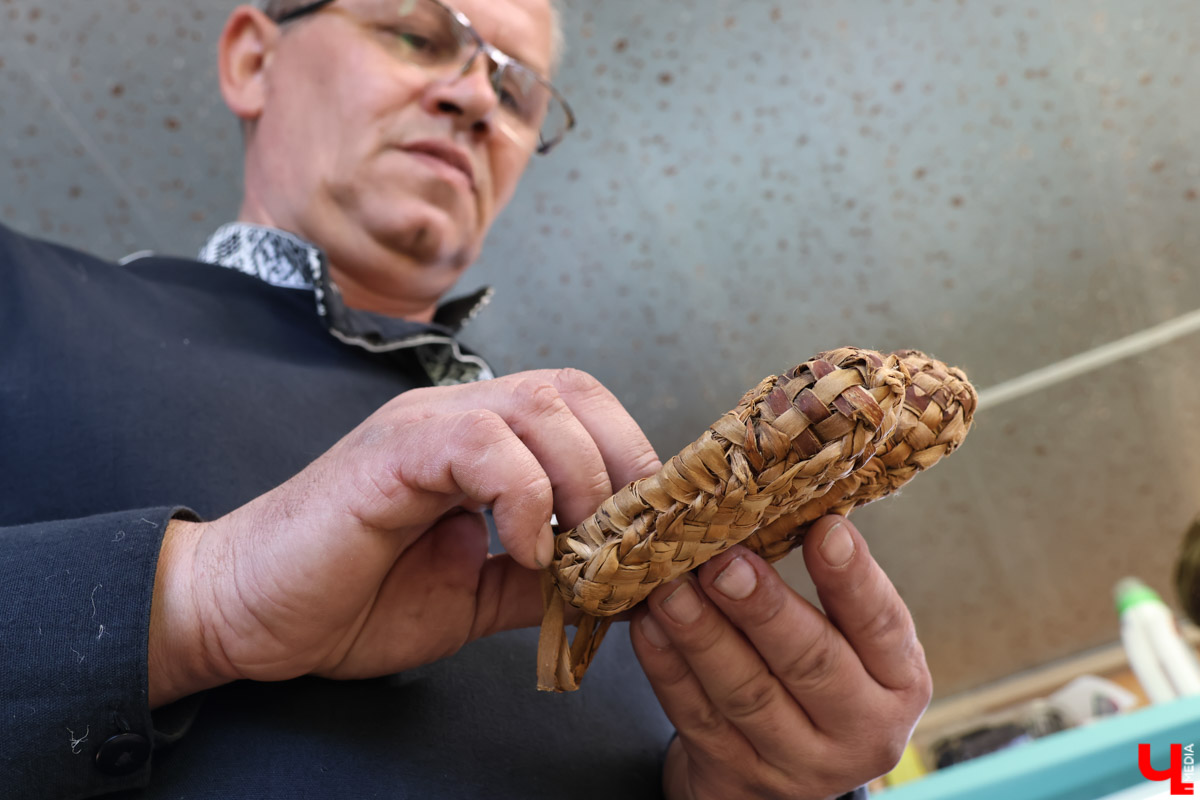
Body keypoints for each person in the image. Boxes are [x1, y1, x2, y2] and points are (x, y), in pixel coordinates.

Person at [0, 0, 932, 797]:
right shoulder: (20, 299)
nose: (478, 97)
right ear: (253, 58)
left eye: (517, 87)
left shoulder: (599, 489)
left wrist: (762, 783)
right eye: (417, 33)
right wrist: (204, 597)